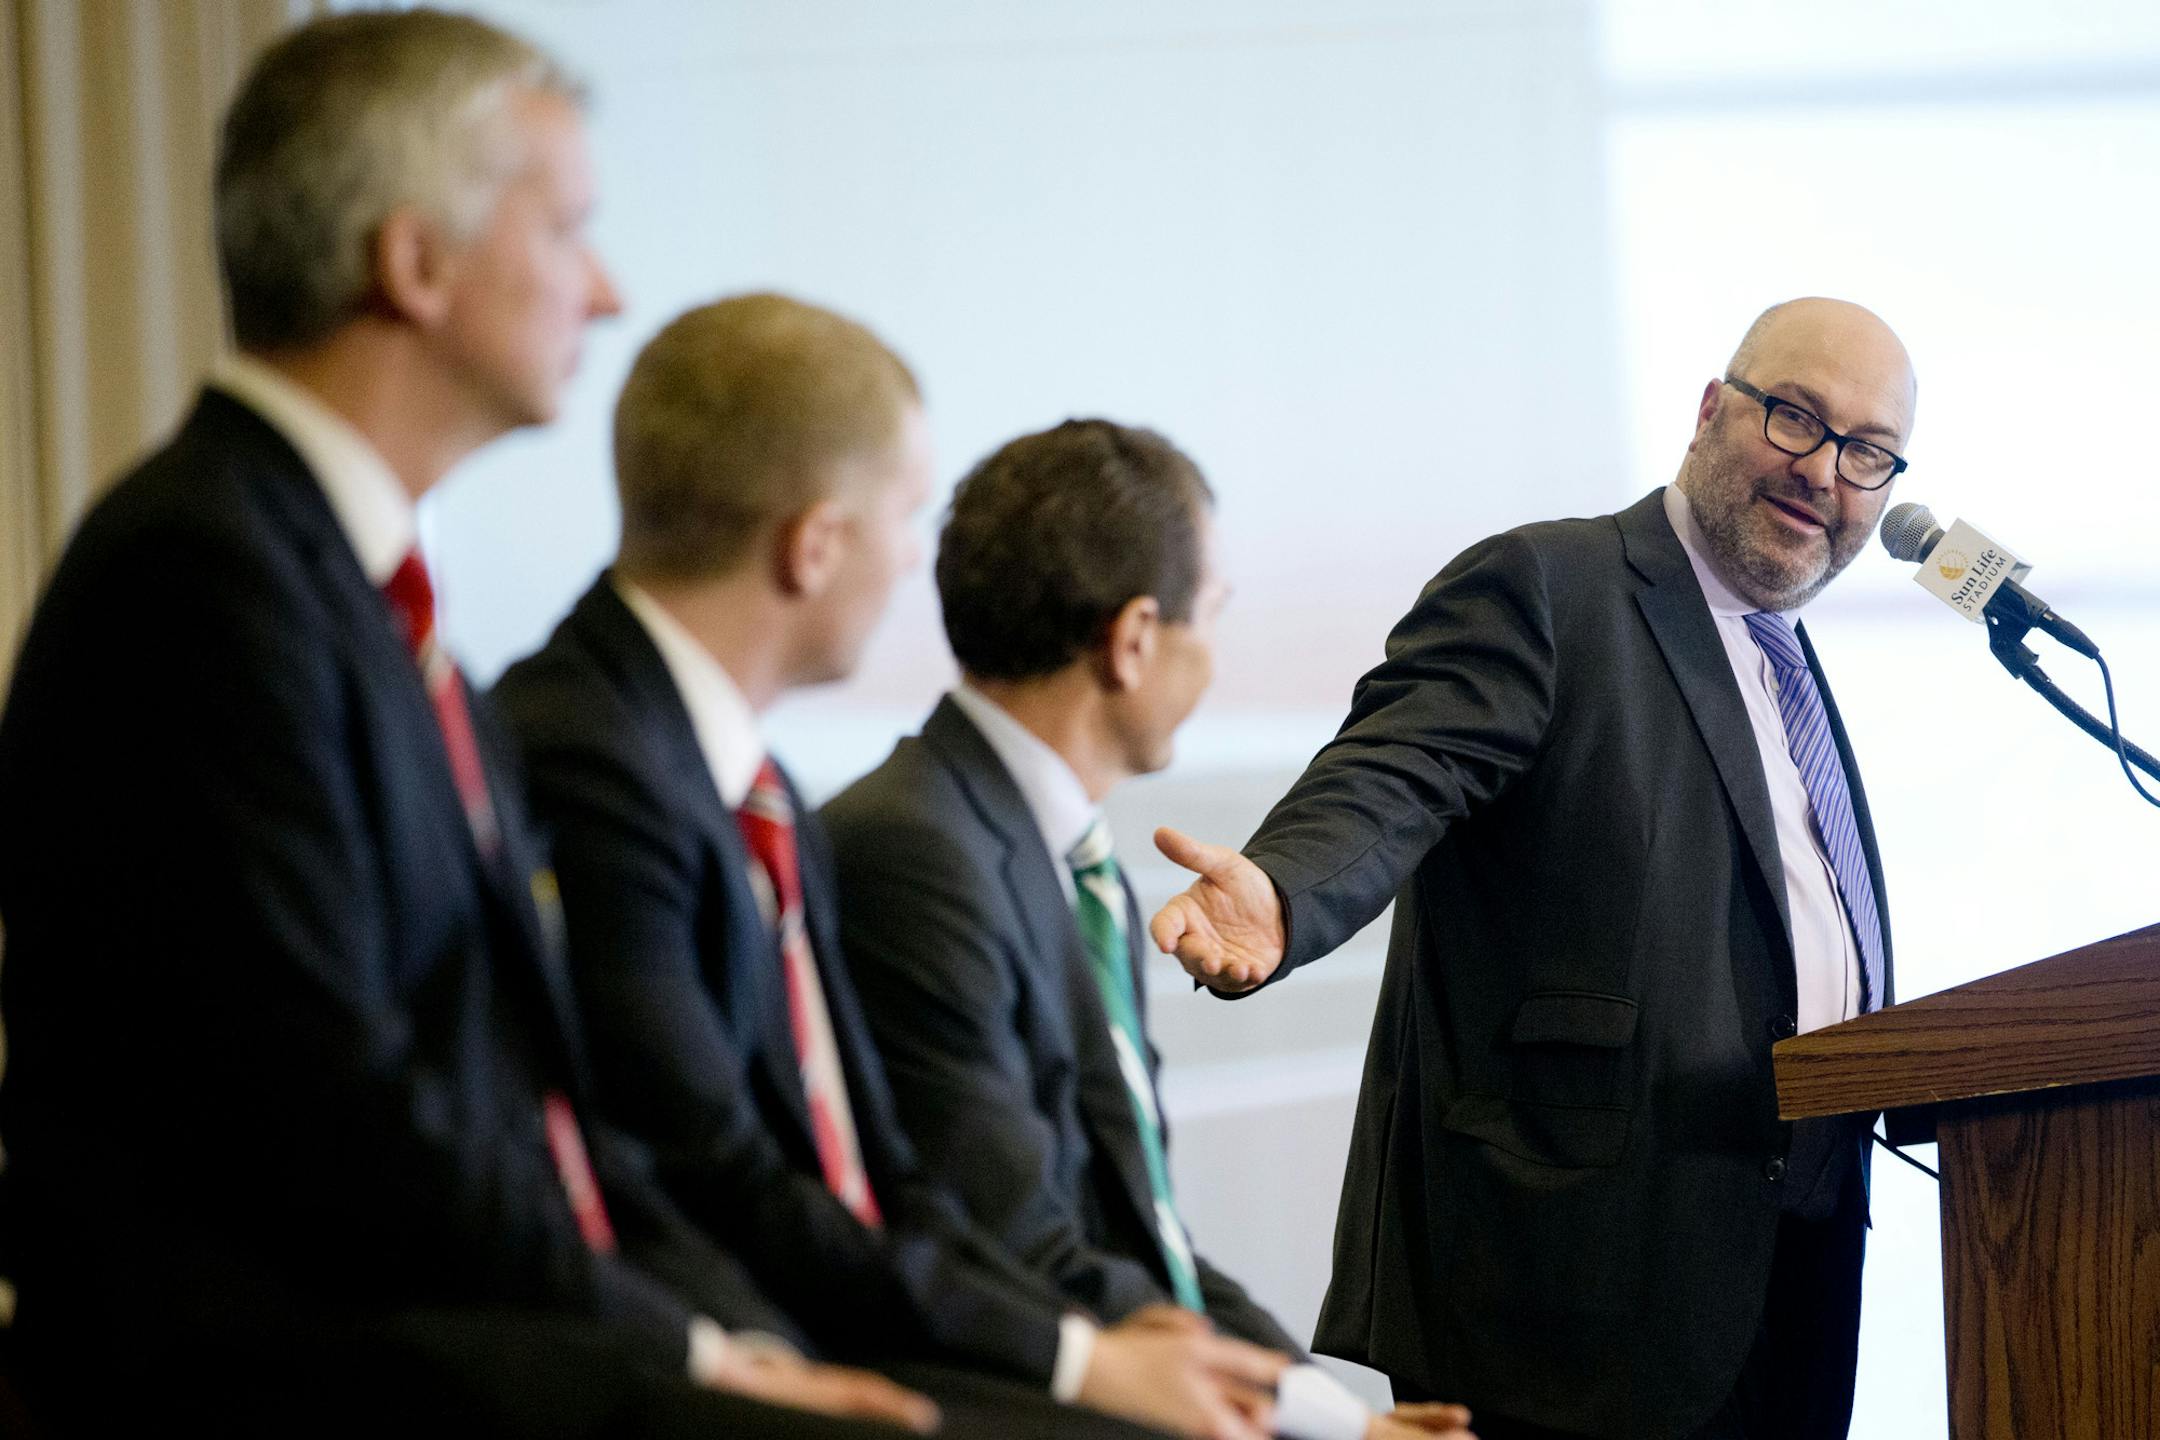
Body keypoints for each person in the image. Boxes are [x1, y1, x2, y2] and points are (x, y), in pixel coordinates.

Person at [0, 13, 931, 1435]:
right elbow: (330, 1122)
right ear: (414, 262)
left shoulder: (366, 603)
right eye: (567, 230)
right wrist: (685, 1355)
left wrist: (715, 1331)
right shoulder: (196, 578)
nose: (608, 292)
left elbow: (545, 1114)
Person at [495, 294, 1292, 1440]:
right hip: (718, 1350)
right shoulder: (594, 756)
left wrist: (1107, 1355)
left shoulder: (745, 780)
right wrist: (1077, 1360)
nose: (924, 563)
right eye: (907, 516)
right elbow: (716, 1172)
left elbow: (883, 1176)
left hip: (836, 1316)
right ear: (814, 547)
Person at [1146, 298, 1916, 1440]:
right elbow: (1401, 770)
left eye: (1867, 452)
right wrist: (1285, 887)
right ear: (1711, 411)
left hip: (1788, 1290)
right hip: (1565, 1300)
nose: (1823, 472)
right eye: (1795, 418)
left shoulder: (1786, 666)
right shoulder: (1553, 588)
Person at [820, 420, 1478, 1440]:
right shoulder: (914, 852)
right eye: (1209, 615)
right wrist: (1316, 1430)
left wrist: (1334, 1417)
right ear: (1132, 641)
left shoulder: (1074, 866)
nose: (1215, 654)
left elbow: (1144, 1237)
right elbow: (1019, 1247)